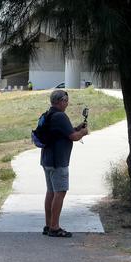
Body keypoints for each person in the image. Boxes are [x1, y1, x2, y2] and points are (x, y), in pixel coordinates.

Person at [41, 90, 88, 237]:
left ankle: (48, 225)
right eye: (66, 100)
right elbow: (73, 137)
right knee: (60, 193)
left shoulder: (48, 114)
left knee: (51, 192)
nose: (67, 103)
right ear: (61, 101)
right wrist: (83, 132)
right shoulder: (61, 116)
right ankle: (55, 227)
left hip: (47, 159)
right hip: (58, 161)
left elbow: (64, 132)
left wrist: (76, 128)